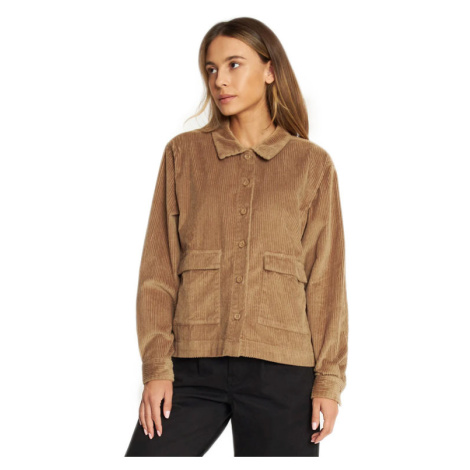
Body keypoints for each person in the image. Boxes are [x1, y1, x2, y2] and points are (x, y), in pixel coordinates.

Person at [124, 16, 349, 457]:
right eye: (211, 69)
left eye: (233, 65)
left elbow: (326, 281)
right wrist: (156, 367)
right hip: (192, 364)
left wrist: (328, 380)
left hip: (283, 370)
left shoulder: (311, 165)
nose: (219, 81)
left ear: (270, 70)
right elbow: (158, 270)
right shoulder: (184, 154)